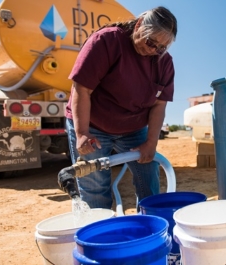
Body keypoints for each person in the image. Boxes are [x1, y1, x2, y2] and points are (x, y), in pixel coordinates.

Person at [65, 6, 178, 209]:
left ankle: (150, 230)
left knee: (149, 181)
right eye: (151, 42)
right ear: (138, 26)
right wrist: (82, 133)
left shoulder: (164, 63)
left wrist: (151, 143)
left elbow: (159, 105)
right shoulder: (107, 41)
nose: (154, 50)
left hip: (134, 129)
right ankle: (101, 235)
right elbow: (81, 90)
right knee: (95, 187)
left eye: (161, 47)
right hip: (93, 125)